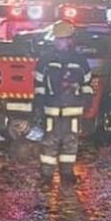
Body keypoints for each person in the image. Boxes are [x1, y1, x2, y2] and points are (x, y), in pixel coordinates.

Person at [33, 20, 93, 185]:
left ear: (70, 40)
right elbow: (39, 85)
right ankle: (46, 177)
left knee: (70, 144)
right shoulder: (45, 60)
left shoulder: (80, 60)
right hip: (51, 111)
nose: (60, 42)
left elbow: (87, 83)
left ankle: (67, 174)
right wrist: (39, 106)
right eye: (58, 39)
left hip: (73, 111)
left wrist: (87, 101)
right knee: (48, 145)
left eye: (64, 39)